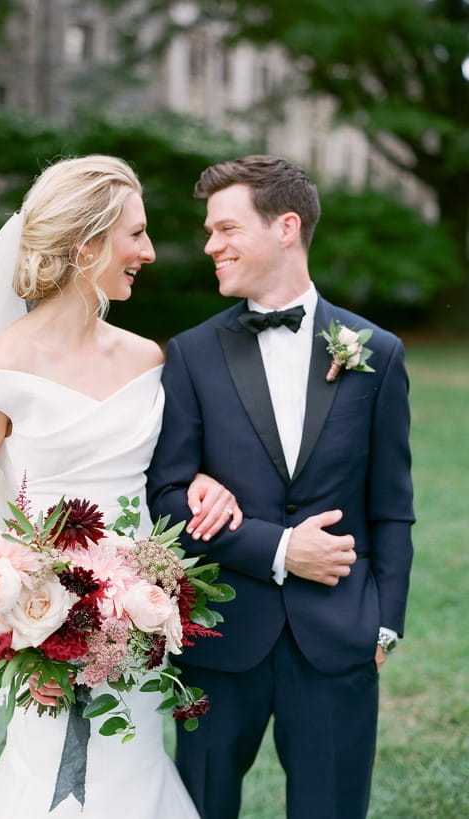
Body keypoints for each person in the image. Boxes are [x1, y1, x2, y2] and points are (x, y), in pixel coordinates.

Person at [0, 155, 242, 818]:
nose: (149, 252)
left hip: (144, 619)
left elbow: (169, 471)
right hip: (44, 639)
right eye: (136, 234)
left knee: (134, 771)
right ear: (87, 244)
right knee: (44, 785)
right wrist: (12, 614)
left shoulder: (147, 357)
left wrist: (205, 484)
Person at [147, 155, 415, 819]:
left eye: (226, 228)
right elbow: (167, 497)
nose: (211, 245)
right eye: (210, 231)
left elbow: (392, 506)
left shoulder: (375, 352)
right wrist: (277, 548)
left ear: (286, 227)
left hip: (337, 636)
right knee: (202, 803)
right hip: (220, 631)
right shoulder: (191, 354)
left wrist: (383, 622)